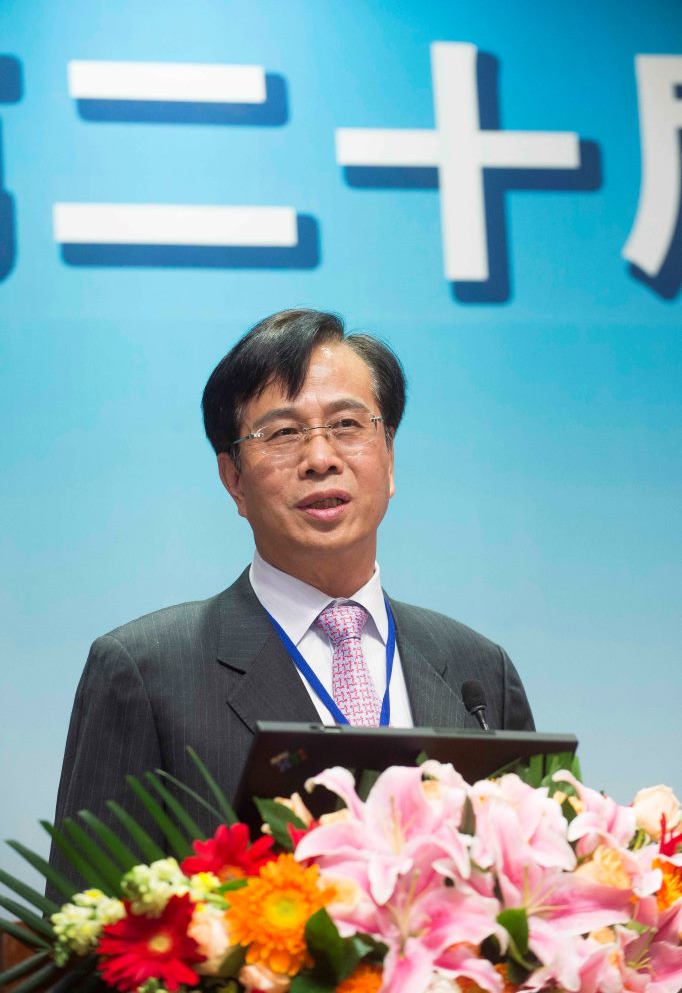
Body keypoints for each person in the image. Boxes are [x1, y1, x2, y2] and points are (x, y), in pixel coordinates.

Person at [49, 309, 534, 883]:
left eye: (347, 425)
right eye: (282, 433)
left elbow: (529, 882)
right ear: (233, 480)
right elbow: (90, 920)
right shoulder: (147, 672)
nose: (321, 458)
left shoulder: (480, 671)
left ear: (390, 456)